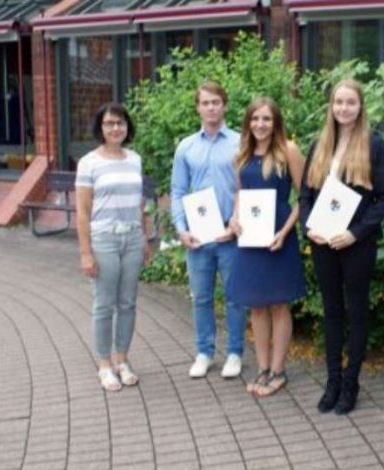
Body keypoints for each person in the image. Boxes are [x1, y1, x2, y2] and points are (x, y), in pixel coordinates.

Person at [298, 79, 384, 415]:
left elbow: (383, 200)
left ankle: (351, 382)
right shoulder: (319, 144)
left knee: (356, 311)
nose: (343, 108)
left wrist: (354, 233)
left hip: (356, 244)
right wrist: (310, 228)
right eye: (338, 102)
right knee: (332, 311)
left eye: (350, 102)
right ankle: (333, 381)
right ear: (331, 106)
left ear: (360, 106)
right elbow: (305, 196)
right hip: (323, 243)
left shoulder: (373, 145)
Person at [226, 97, 306, 397]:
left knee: (279, 303)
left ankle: (278, 370)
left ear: (276, 123)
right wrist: (234, 218)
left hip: (278, 236)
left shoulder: (289, 151)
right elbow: (239, 193)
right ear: (248, 123)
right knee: (257, 305)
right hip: (250, 236)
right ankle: (261, 367)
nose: (260, 124)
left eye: (267, 119)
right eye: (255, 119)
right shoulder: (243, 154)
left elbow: (304, 197)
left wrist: (285, 232)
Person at [170, 81, 247, 380]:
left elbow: (246, 187)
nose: (211, 107)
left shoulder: (240, 143)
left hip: (230, 234)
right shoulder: (186, 147)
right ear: (197, 107)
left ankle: (234, 353)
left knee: (234, 296)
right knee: (200, 297)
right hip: (198, 237)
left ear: (224, 105)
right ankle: (204, 352)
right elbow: (177, 190)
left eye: (216, 102)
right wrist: (180, 228)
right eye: (205, 102)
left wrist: (236, 222)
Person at [76, 102, 151, 391]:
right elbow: (82, 211)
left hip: (132, 238)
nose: (115, 128)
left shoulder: (134, 159)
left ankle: (122, 359)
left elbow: (139, 204)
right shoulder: (89, 163)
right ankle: (104, 364)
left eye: (120, 123)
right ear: (101, 128)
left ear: (127, 127)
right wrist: (85, 253)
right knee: (104, 304)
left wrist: (144, 239)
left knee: (128, 303)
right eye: (109, 124)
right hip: (104, 240)